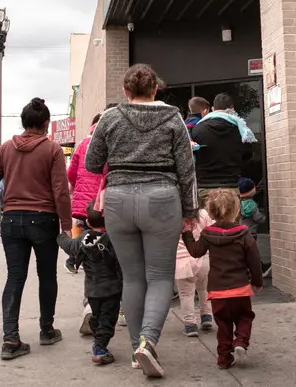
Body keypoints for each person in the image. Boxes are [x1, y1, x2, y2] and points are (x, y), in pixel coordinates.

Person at [85, 64, 198, 379]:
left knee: (133, 279)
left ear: (125, 91)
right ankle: (148, 342)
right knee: (161, 277)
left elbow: (92, 162)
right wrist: (190, 211)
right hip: (163, 198)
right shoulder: (174, 118)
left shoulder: (110, 117)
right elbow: (187, 171)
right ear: (154, 89)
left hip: (119, 200)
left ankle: (137, 349)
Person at [0, 97, 72, 360]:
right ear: (46, 124)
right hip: (43, 220)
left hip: (11, 220)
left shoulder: (5, 148)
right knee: (47, 276)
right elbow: (60, 191)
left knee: (15, 277)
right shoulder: (52, 149)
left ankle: (10, 339)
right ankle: (46, 330)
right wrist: (66, 226)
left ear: (23, 122)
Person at [181, 189, 263, 371]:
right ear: (236, 209)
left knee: (223, 325)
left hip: (217, 291)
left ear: (210, 211)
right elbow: (254, 260)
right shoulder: (244, 234)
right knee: (245, 316)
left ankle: (224, 359)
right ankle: (241, 340)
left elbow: (196, 252)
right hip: (240, 288)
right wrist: (257, 281)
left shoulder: (208, 234)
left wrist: (186, 233)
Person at [58, 200, 122, 366]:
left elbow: (67, 245)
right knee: (108, 320)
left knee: (99, 315)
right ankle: (100, 349)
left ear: (87, 222)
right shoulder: (114, 240)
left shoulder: (81, 240)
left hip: (92, 290)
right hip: (112, 290)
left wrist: (61, 236)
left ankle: (95, 324)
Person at [191, 93, 256, 207]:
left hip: (205, 188)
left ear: (212, 109)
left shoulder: (198, 129)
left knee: (207, 224)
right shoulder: (241, 130)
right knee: (232, 225)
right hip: (231, 187)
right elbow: (248, 155)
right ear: (232, 109)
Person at [66, 112, 104, 273]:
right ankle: (84, 263)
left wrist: (76, 189)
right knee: (96, 234)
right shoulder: (107, 142)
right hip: (99, 200)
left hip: (82, 200)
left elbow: (71, 173)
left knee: (86, 233)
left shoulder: (82, 144)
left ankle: (73, 260)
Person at [176, 207, 213, 337]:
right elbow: (211, 231)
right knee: (204, 289)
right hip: (203, 257)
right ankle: (206, 316)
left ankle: (190, 324)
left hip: (182, 260)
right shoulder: (203, 214)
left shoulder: (174, 215)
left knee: (186, 294)